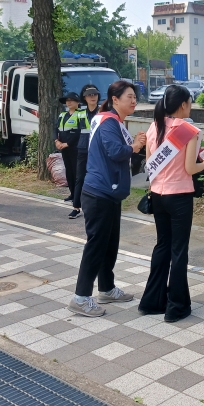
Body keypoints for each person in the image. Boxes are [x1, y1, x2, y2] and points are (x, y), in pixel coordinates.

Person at [68, 80, 146, 317]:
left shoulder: (113, 121)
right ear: (115, 99)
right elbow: (115, 152)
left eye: (135, 97)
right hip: (99, 193)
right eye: (129, 97)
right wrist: (135, 146)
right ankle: (80, 297)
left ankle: (107, 288)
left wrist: (134, 145)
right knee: (96, 245)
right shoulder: (108, 122)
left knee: (109, 244)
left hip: (109, 193)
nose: (133, 101)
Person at [138, 85, 204, 322]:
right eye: (190, 102)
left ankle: (152, 300)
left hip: (158, 196)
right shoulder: (188, 130)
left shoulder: (154, 126)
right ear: (183, 105)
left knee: (162, 246)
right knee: (179, 251)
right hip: (179, 197)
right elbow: (191, 168)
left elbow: (150, 166)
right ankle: (176, 307)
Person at [70, 84, 100, 219]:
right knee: (80, 177)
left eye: (95, 94)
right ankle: (76, 207)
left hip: (98, 150)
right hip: (82, 149)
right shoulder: (80, 113)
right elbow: (73, 131)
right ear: (84, 97)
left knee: (98, 177)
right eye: (90, 95)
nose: (93, 97)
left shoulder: (102, 112)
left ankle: (96, 205)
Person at [56, 92, 83, 203]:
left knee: (77, 172)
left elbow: (79, 132)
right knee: (69, 171)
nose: (69, 102)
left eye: (71, 100)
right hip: (63, 147)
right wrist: (56, 140)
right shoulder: (62, 115)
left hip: (75, 147)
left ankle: (78, 196)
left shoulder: (81, 114)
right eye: (67, 100)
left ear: (77, 102)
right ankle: (72, 194)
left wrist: (68, 143)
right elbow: (55, 128)